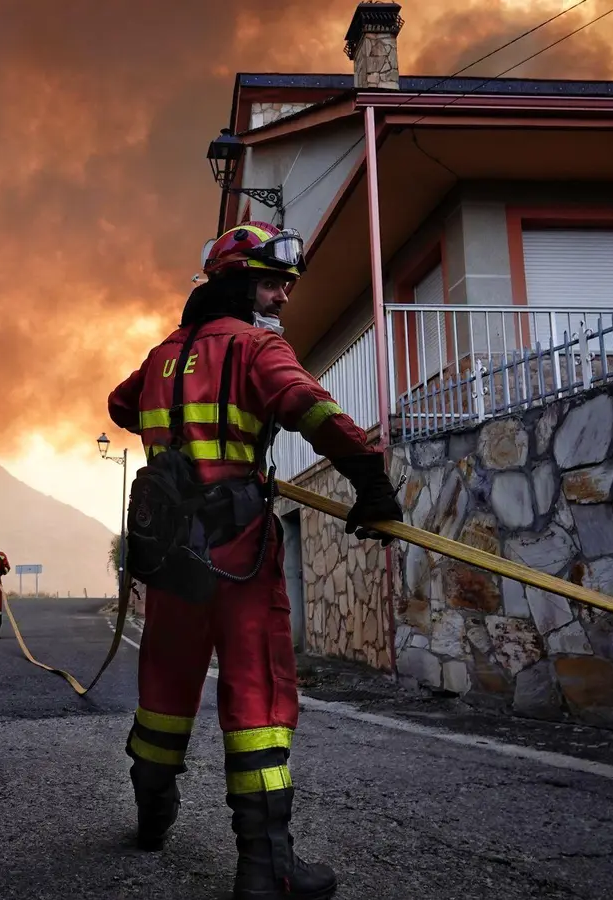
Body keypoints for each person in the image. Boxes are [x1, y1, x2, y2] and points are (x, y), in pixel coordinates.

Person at [106, 221, 403, 900]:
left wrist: (178, 428)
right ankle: (266, 867)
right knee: (259, 694)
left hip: (174, 548)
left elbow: (121, 406)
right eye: (272, 283)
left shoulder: (160, 356)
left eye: (287, 285)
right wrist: (372, 484)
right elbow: (311, 408)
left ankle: (153, 814)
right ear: (238, 284)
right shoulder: (255, 348)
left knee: (165, 683)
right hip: (238, 548)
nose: (283, 299)